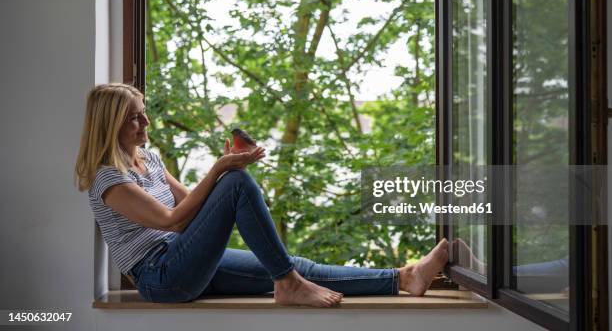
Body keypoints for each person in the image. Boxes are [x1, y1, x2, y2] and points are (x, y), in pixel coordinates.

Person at [75, 83, 449, 306]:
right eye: (134, 118)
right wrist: (222, 170)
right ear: (110, 126)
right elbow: (172, 219)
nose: (146, 123)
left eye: (144, 113)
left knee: (294, 266)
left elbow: (193, 204)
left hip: (184, 255)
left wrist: (224, 169)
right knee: (236, 185)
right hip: (162, 276)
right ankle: (288, 284)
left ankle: (404, 277)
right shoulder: (107, 178)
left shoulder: (148, 158)